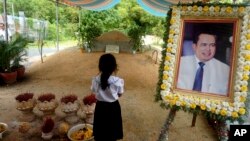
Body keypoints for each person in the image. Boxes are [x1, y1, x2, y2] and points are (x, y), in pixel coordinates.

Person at [177, 30, 230, 95]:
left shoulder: (225, 70)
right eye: (204, 45)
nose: (208, 49)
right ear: (194, 47)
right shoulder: (179, 63)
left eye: (212, 45)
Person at [91, 53, 124, 141]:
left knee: (100, 130)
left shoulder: (95, 80)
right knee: (112, 130)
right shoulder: (117, 81)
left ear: (100, 66)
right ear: (114, 67)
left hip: (100, 107)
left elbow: (94, 91)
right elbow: (120, 94)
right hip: (113, 107)